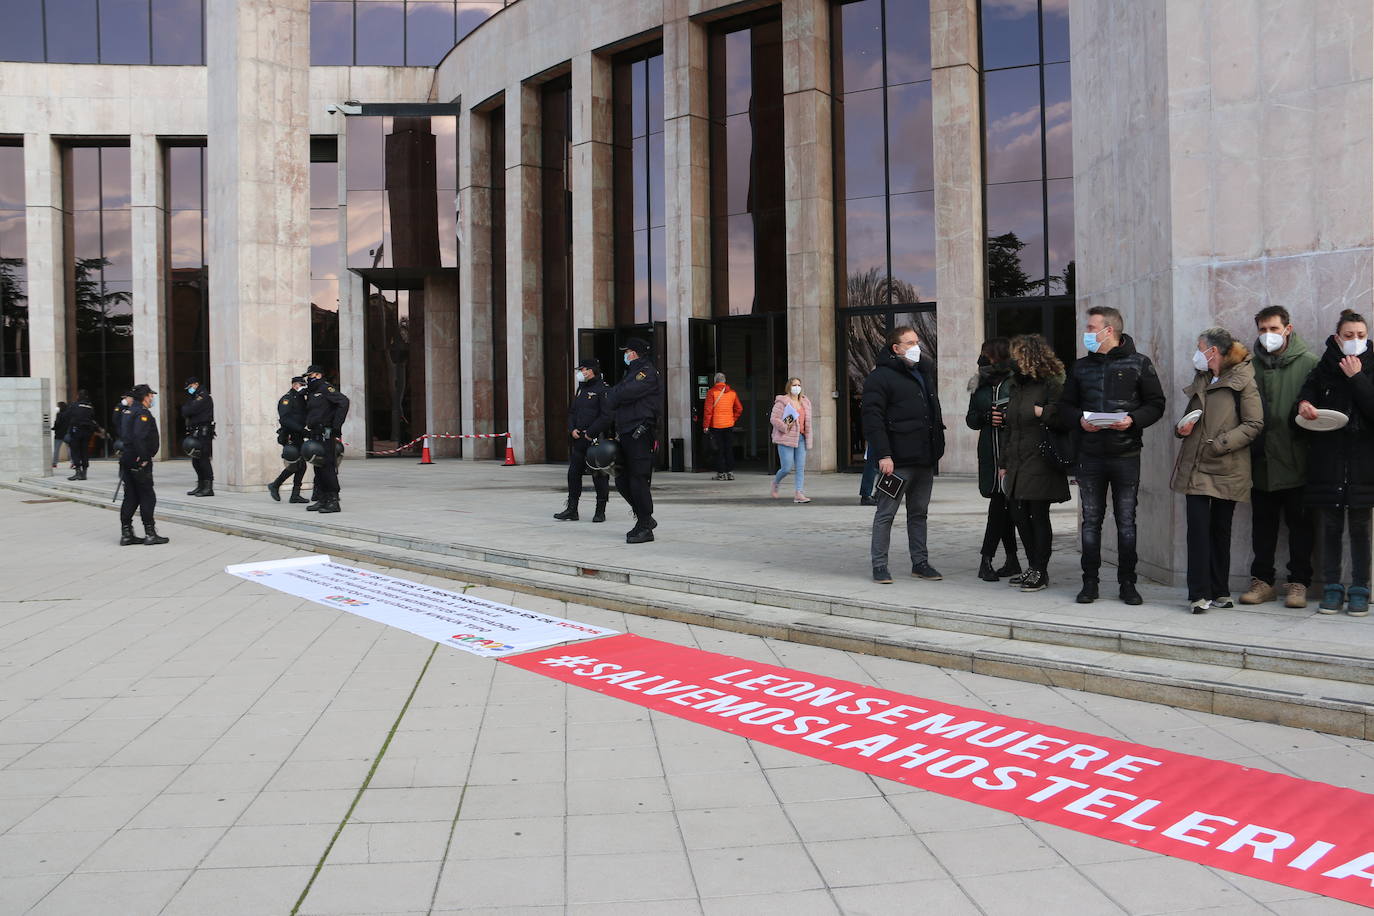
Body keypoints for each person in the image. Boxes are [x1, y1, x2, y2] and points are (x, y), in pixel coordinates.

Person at [1052, 306, 1166, 605]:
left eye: (1091, 328)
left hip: (1126, 454)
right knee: (1091, 521)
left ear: (1109, 331)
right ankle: (1089, 583)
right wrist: (1079, 420)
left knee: (1126, 521)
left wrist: (1133, 419)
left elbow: (1156, 404)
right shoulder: (1080, 367)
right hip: (1089, 456)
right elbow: (1064, 407)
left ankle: (1128, 583)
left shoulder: (1139, 363)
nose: (1086, 333)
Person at [1171, 327, 1264, 614]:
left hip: (1226, 466)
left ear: (1213, 351)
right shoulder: (1201, 378)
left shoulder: (1243, 379)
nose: (1196, 352)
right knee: (1197, 530)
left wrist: (1219, 444)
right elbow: (1192, 419)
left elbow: (1253, 424)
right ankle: (1199, 594)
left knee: (1220, 530)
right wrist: (1181, 429)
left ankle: (1220, 591)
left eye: (1200, 347)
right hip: (1196, 466)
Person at [1296, 309, 1374, 615]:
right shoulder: (1322, 369)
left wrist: (1357, 378)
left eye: (1361, 336)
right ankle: (1331, 587)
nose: (1355, 341)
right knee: (1329, 527)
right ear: (1336, 338)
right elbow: (1304, 398)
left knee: (1360, 528)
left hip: (1364, 465)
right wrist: (1303, 405)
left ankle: (1359, 588)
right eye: (1349, 336)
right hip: (1327, 463)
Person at [1242, 306, 1318, 609]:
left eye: (1274, 329)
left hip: (1298, 459)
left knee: (1301, 526)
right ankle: (1263, 582)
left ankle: (1299, 582)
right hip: (1261, 461)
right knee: (1263, 526)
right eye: (1262, 330)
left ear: (1288, 328)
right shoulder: (1250, 366)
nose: (1268, 335)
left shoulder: (1310, 363)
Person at [861, 324, 945, 584]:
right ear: (896, 349)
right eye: (909, 343)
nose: (916, 347)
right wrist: (884, 455)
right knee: (886, 514)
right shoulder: (880, 377)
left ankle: (920, 563)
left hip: (924, 458)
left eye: (917, 342)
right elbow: (873, 419)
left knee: (919, 513)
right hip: (896, 461)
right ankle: (879, 565)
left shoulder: (923, 373)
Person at [998, 334, 1070, 593]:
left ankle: (1040, 569)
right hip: (1018, 460)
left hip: (1040, 459)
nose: (1013, 361)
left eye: (1017, 356)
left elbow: (1065, 419)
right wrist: (1003, 462)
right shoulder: (1016, 385)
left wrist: (1044, 412)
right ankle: (1033, 566)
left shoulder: (1051, 384)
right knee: (1019, 514)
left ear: (1030, 356)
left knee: (1037, 516)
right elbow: (1010, 428)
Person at [588, 336, 662, 543]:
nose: (625, 355)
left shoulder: (646, 373)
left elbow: (620, 394)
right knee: (620, 478)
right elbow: (614, 397)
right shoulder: (631, 373)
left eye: (627, 351)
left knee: (638, 479)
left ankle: (645, 524)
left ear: (635, 353)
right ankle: (643, 516)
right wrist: (614, 394)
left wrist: (614, 394)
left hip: (641, 432)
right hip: (627, 432)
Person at [965, 337, 1022, 581]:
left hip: (1012, 455)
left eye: (986, 355)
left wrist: (1008, 416)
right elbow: (971, 418)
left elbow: (1028, 413)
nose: (982, 359)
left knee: (1000, 508)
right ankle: (1012, 560)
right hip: (990, 453)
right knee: (1003, 507)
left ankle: (986, 559)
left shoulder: (1016, 381)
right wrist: (987, 416)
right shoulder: (979, 384)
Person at [554, 356, 611, 523]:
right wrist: (572, 429)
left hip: (595, 440)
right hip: (579, 439)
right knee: (573, 474)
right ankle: (572, 509)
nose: (580, 372)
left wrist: (590, 433)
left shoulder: (603, 389)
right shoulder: (581, 389)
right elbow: (572, 412)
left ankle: (600, 510)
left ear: (590, 371)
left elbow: (606, 416)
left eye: (582, 369)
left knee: (599, 475)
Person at [118, 384, 169, 546]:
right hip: (139, 460)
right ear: (145, 397)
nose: (152, 398)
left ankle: (126, 533)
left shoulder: (128, 411)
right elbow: (139, 437)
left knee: (131, 496)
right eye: (150, 395)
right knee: (147, 496)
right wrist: (144, 457)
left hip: (127, 458)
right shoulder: (142, 413)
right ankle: (150, 533)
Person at [302, 365, 350, 514]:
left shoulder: (325, 388)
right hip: (315, 432)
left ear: (318, 375)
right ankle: (322, 498)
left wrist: (336, 426)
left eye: (310, 376)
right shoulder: (313, 391)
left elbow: (344, 402)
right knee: (318, 466)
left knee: (328, 465)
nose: (308, 379)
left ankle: (333, 500)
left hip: (326, 432)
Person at [769, 377, 813, 503]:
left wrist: (808, 436)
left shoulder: (805, 402)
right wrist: (784, 426)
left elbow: (807, 422)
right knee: (787, 467)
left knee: (800, 467)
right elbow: (774, 419)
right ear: (789, 387)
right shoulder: (782, 402)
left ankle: (799, 493)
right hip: (785, 438)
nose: (797, 388)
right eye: (794, 385)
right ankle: (775, 483)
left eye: (799, 385)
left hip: (801, 438)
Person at [268, 376, 310, 504]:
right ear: (294, 385)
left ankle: (292, 493)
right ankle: (277, 485)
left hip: (299, 435)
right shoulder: (287, 399)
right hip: (290, 435)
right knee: (297, 464)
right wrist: (301, 430)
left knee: (300, 465)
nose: (303, 387)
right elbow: (284, 419)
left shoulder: (301, 398)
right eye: (301, 385)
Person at [702, 372, 743, 480]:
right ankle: (730, 472)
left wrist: (706, 425)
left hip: (716, 425)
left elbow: (708, 410)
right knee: (728, 448)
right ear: (724, 381)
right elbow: (739, 408)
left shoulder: (712, 392)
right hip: (729, 425)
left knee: (718, 449)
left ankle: (721, 473)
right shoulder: (732, 393)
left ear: (715, 381)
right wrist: (733, 419)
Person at [181, 377, 215, 497]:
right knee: (196, 460)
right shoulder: (194, 397)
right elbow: (184, 410)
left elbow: (189, 410)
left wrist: (188, 409)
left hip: (203, 432)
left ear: (196, 384)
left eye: (190, 387)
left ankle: (208, 487)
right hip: (195, 431)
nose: (189, 390)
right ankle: (200, 485)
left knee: (203, 459)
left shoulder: (203, 396)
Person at [66, 390, 98, 481]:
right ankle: (84, 473)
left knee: (75, 451)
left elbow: (68, 416)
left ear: (78, 396)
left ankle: (77, 472)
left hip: (76, 431)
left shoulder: (74, 405)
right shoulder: (90, 406)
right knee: (84, 451)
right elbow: (92, 418)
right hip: (87, 431)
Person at [110, 391, 135, 455]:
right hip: (122, 431)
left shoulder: (131, 407)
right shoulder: (119, 407)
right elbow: (115, 420)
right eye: (131, 398)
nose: (132, 400)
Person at [50, 401, 70, 469]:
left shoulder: (59, 414)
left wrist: (53, 428)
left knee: (56, 449)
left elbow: (57, 423)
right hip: (67, 433)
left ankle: (54, 463)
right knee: (70, 449)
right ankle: (73, 463)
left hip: (59, 434)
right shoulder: (68, 413)